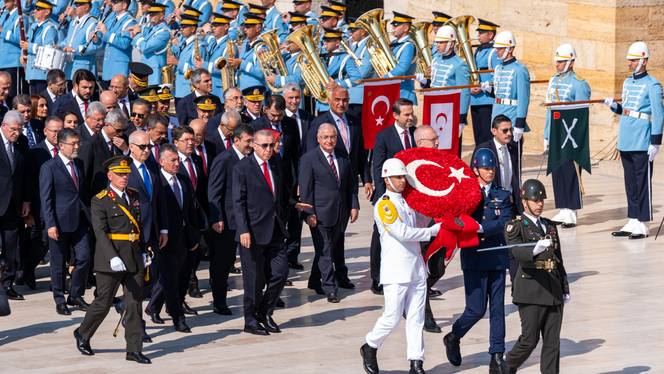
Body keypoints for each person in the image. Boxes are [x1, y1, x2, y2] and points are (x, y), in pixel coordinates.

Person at [361, 158, 441, 374]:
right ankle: (370, 345)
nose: (402, 180)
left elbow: (418, 223)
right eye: (398, 177)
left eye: (403, 176)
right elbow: (402, 233)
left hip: (415, 268)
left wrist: (436, 214)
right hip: (396, 270)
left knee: (416, 319)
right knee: (392, 317)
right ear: (387, 179)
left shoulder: (406, 202)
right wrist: (432, 232)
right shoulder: (385, 204)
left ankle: (417, 362)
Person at [74, 156, 152, 364]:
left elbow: (138, 226)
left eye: (126, 174)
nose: (124, 178)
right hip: (111, 258)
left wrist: (144, 250)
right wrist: (113, 257)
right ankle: (83, 333)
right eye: (120, 174)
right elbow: (100, 232)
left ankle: (134, 349)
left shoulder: (133, 195)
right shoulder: (100, 199)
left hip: (133, 255)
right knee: (104, 302)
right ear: (110, 176)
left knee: (134, 303)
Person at [443, 148, 514, 373]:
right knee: (475, 309)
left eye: (492, 168)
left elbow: (505, 220)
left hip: (496, 256)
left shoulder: (502, 195)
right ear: (475, 170)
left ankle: (497, 354)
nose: (490, 172)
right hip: (474, 257)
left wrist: (481, 228)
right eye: (486, 168)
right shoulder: (465, 193)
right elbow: (455, 216)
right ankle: (454, 335)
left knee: (497, 309)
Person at [504, 179, 570, 374]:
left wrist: (564, 286)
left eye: (541, 200)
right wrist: (534, 249)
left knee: (552, 343)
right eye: (535, 200)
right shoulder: (515, 226)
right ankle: (507, 366)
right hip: (531, 291)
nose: (539, 204)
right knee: (529, 340)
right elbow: (516, 252)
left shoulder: (549, 225)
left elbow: (558, 259)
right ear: (525, 202)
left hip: (553, 290)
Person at [233, 129, 290, 335]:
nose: (268, 149)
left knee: (281, 272)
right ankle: (250, 320)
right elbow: (238, 202)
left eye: (271, 145)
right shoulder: (242, 168)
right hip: (253, 232)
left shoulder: (275, 163)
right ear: (254, 146)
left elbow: (279, 194)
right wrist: (243, 230)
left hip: (274, 228)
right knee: (254, 280)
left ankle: (265, 311)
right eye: (264, 146)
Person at [605, 41, 663, 239]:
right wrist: (615, 107)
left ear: (643, 61)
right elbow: (627, 110)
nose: (629, 64)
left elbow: (659, 114)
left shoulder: (652, 85)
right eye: (629, 60)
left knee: (642, 182)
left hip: (642, 139)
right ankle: (633, 218)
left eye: (633, 60)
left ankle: (643, 222)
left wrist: (655, 141)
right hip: (626, 138)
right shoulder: (628, 82)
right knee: (630, 182)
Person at [299, 123, 358, 302]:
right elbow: (306, 189)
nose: (329, 140)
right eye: (325, 137)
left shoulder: (342, 156)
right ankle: (330, 287)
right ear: (318, 139)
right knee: (325, 251)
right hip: (319, 213)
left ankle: (314, 281)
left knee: (328, 248)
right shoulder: (309, 159)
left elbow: (350, 184)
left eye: (332, 137)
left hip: (340, 212)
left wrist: (354, 205)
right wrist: (308, 214)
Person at [146, 143, 200, 332]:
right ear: (161, 162)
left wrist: (194, 235)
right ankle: (178, 317)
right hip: (166, 238)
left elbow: (191, 210)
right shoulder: (157, 182)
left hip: (185, 238)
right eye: (172, 160)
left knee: (182, 275)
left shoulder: (184, 180)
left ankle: (154, 306)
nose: (177, 163)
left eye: (178, 160)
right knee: (169, 278)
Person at [39, 127, 91, 314]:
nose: (77, 146)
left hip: (79, 220)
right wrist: (50, 223)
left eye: (78, 143)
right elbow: (46, 198)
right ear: (61, 145)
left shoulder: (79, 164)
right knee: (58, 263)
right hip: (59, 223)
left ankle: (75, 294)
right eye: (73, 144)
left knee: (84, 257)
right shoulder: (49, 167)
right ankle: (59, 298)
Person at [369, 98, 416, 294]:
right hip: (390, 194)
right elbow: (378, 166)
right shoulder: (384, 136)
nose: (410, 117)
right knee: (381, 235)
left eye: (411, 113)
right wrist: (382, 197)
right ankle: (377, 278)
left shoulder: (415, 133)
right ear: (395, 115)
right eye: (406, 114)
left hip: (411, 194)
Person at [207, 124, 254, 315]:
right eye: (248, 141)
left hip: (247, 220)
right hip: (227, 222)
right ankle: (219, 301)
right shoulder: (224, 159)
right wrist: (216, 217)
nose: (251, 145)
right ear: (236, 140)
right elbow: (214, 191)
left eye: (252, 141)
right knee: (223, 263)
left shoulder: (251, 159)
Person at [545, 44, 591, 228]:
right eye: (557, 61)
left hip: (570, 134)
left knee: (571, 172)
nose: (557, 64)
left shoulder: (579, 84)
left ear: (571, 62)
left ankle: (572, 210)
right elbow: (550, 110)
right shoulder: (553, 80)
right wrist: (546, 135)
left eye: (562, 61)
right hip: (555, 132)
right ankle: (563, 207)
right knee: (558, 171)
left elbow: (582, 114)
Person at [23, 116, 63, 290]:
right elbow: (29, 181)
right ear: (45, 131)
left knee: (57, 244)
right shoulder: (36, 152)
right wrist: (29, 208)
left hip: (60, 205)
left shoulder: (65, 150)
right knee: (40, 243)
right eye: (54, 131)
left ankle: (57, 282)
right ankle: (27, 271)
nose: (57, 135)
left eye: (60, 131)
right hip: (40, 205)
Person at [420, 25, 470, 152]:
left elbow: (464, 92)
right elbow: (433, 84)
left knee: (449, 148)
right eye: (437, 42)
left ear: (451, 43)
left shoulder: (459, 64)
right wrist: (423, 81)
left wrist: (461, 118)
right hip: (433, 107)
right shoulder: (436, 60)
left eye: (441, 42)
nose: (438, 45)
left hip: (450, 111)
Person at [0, 110, 30, 301]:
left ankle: (7, 285)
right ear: (4, 126)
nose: (16, 133)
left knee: (11, 247)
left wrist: (26, 200)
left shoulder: (21, 143)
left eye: (19, 130)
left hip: (13, 204)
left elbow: (24, 174)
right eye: (13, 130)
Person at [283, 83, 312, 269]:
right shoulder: (278, 120)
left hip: (303, 174)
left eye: (297, 98)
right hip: (284, 175)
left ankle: (293, 255)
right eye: (290, 98)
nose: (294, 101)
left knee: (296, 218)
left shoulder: (308, 118)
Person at [488, 31, 530, 147]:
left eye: (500, 48)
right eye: (496, 48)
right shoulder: (498, 68)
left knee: (513, 158)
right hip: (496, 114)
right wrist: (488, 89)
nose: (497, 51)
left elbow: (523, 99)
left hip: (511, 116)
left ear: (510, 49)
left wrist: (519, 124)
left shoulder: (520, 70)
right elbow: (499, 93)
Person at [474, 115, 520, 212]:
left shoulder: (514, 148)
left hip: (511, 203)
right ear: (494, 131)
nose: (509, 133)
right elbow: (475, 176)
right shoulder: (484, 149)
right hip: (492, 204)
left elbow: (516, 176)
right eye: (505, 130)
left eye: (510, 130)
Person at [470, 19, 499, 146]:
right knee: (478, 135)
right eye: (479, 32)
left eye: (482, 32)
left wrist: (483, 87)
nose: (478, 35)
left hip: (487, 99)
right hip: (475, 99)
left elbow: (498, 76)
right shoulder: (478, 50)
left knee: (486, 135)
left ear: (490, 35)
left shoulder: (494, 52)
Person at [98, 0, 137, 87]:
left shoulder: (130, 22)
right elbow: (104, 40)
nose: (112, 4)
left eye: (115, 2)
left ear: (124, 5)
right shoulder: (112, 20)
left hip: (119, 68)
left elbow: (124, 43)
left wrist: (106, 32)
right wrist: (96, 38)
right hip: (108, 68)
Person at [24, 0, 59, 95]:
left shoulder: (50, 28)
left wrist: (30, 47)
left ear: (47, 12)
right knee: (34, 102)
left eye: (38, 9)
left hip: (42, 74)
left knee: (42, 101)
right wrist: (24, 55)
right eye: (35, 8)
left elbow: (49, 51)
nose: (35, 11)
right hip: (32, 72)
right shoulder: (34, 26)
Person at [60, 0, 101, 80]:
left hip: (84, 68)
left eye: (79, 5)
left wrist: (74, 49)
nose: (76, 7)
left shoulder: (93, 23)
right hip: (69, 68)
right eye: (75, 4)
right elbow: (68, 40)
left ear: (86, 7)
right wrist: (60, 46)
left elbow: (95, 47)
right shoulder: (73, 22)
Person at [131, 3, 170, 85]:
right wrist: (135, 34)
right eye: (150, 14)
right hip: (146, 68)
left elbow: (145, 47)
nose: (151, 16)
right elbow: (139, 44)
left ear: (162, 16)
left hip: (155, 72)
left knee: (152, 95)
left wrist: (138, 34)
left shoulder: (164, 32)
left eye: (154, 14)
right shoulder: (152, 29)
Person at [383, 12, 417, 103]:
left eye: (396, 25)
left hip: (404, 93)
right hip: (393, 91)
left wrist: (385, 77)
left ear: (405, 28)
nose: (393, 28)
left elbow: (402, 68)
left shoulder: (408, 45)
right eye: (393, 25)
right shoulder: (394, 44)